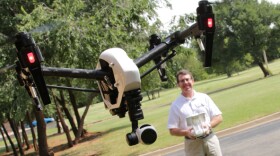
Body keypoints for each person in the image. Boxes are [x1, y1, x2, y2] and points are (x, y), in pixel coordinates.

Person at [167, 69, 223, 156]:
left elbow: (218, 117)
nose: (185, 83)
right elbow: (172, 130)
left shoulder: (204, 97)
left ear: (192, 81)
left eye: (187, 79)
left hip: (210, 140)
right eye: (182, 81)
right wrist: (186, 132)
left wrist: (209, 125)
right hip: (192, 145)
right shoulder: (175, 105)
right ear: (178, 84)